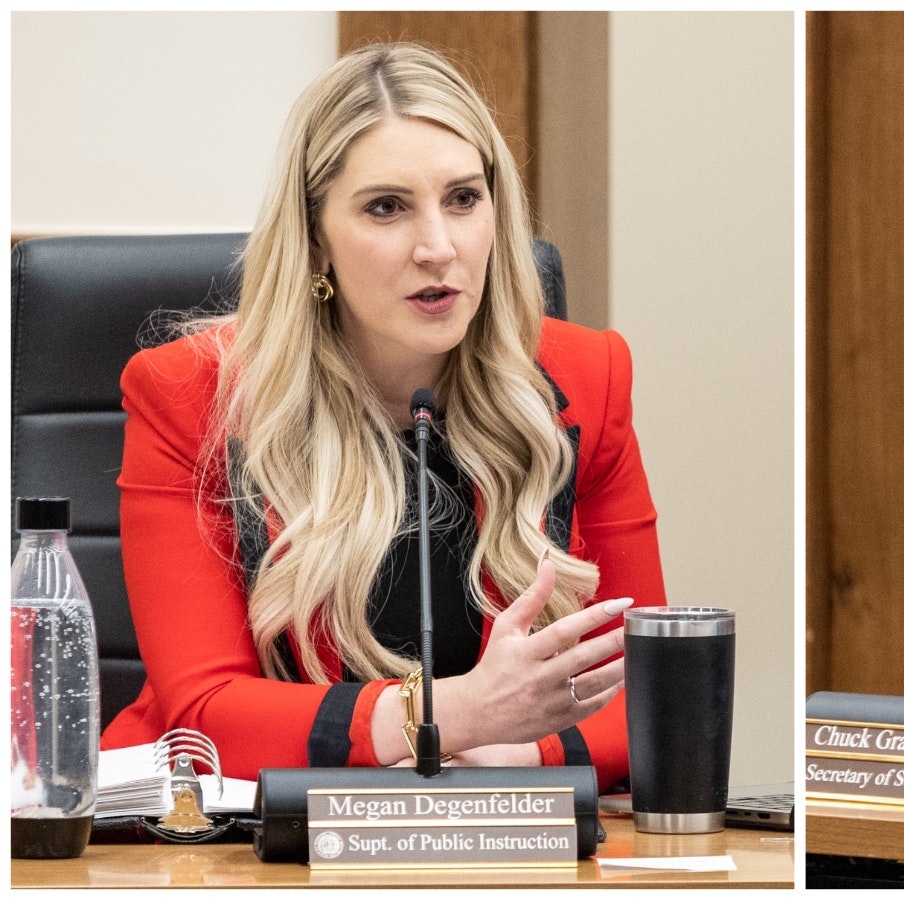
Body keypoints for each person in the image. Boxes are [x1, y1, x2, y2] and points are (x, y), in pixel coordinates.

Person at [102, 43, 666, 791]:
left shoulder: (585, 379)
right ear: (314, 239)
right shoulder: (187, 397)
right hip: (240, 836)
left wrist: (520, 750)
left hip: (495, 826)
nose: (438, 248)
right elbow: (207, 712)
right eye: (386, 208)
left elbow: (656, 685)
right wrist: (448, 716)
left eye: (464, 199)